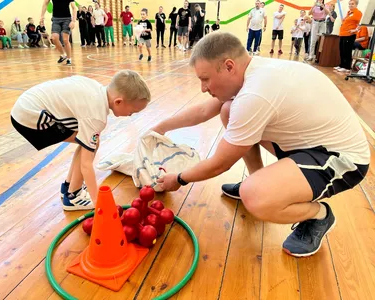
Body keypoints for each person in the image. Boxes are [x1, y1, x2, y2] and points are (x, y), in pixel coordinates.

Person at [152, 31, 370, 258]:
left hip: (343, 160)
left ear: (228, 66)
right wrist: (161, 127)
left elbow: (220, 164)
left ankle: (318, 215)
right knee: (228, 110)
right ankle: (259, 178)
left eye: (205, 79)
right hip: (308, 146)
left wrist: (178, 179)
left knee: (255, 197)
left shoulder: (255, 94)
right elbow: (205, 109)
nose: (203, 88)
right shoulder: (254, 71)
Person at [10, 71, 151, 211]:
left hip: (25, 106)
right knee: (91, 144)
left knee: (87, 142)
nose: (130, 115)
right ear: (118, 101)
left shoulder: (96, 88)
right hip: (30, 118)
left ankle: (69, 186)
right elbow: (86, 164)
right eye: (132, 112)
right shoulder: (96, 116)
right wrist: (97, 201)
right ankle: (74, 196)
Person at [41, 0, 77, 65]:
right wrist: (42, 16)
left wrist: (73, 21)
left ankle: (69, 58)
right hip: (55, 19)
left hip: (67, 19)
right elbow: (45, 4)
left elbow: (74, 8)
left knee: (65, 39)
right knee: (54, 38)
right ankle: (63, 54)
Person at [334, 0, 362, 73]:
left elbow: (360, 24)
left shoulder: (358, 13)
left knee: (347, 51)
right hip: (343, 34)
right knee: (342, 50)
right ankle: (342, 65)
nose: (350, 5)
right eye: (349, 4)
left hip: (349, 35)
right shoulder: (349, 13)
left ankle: (347, 67)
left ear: (356, 5)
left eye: (352, 4)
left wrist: (354, 30)